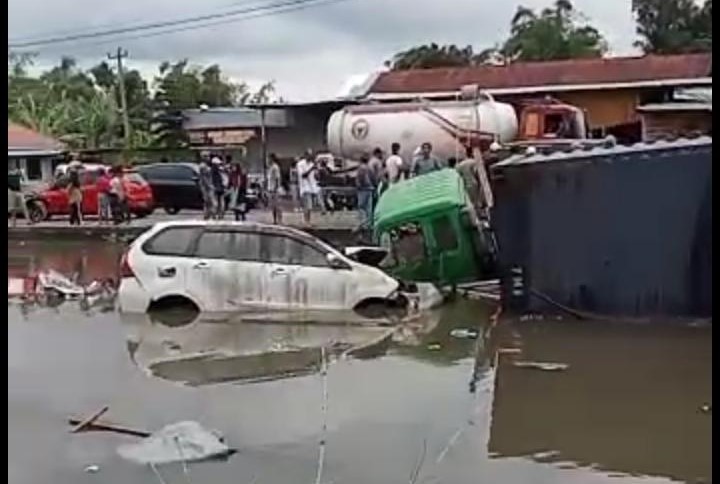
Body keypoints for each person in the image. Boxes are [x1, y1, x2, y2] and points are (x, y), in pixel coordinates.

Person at [456, 147, 493, 217]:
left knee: (472, 202)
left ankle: (477, 216)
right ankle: (483, 214)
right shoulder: (473, 162)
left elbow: (458, 176)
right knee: (479, 200)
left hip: (466, 185)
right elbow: (477, 173)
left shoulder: (459, 165)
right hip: (474, 183)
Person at [296, 150, 318, 226]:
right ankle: (306, 221)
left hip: (312, 187)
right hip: (305, 187)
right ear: (305, 155)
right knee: (307, 205)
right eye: (309, 155)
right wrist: (312, 168)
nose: (310, 156)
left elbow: (314, 176)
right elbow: (303, 175)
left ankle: (308, 221)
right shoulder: (300, 164)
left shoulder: (312, 164)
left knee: (310, 206)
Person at [355, 154, 375, 231]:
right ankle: (369, 224)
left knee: (361, 206)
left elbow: (360, 178)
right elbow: (373, 178)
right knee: (368, 207)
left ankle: (363, 224)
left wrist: (358, 185)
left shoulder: (361, 168)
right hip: (370, 188)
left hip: (363, 189)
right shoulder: (369, 168)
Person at [267, 153, 283, 224]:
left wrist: (276, 188)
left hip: (274, 189)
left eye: (269, 158)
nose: (267, 160)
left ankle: (279, 220)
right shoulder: (270, 167)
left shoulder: (275, 167)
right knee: (273, 206)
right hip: (270, 188)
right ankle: (275, 220)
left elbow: (277, 178)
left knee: (277, 206)